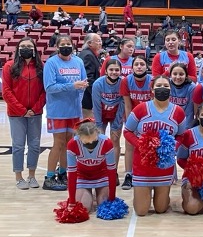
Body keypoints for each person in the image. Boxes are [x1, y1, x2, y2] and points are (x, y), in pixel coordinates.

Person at [123, 75, 186, 216]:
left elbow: (181, 135)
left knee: (161, 209)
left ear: (171, 90)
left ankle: (160, 195)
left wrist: (172, 146)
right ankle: (141, 193)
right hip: (143, 164)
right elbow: (127, 131)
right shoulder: (141, 109)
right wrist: (140, 145)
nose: (162, 89)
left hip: (164, 165)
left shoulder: (178, 112)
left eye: (166, 87)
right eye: (158, 87)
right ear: (151, 90)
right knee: (141, 211)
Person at [43, 35, 88, 190]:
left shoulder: (79, 61)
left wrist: (81, 89)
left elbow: (83, 82)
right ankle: (49, 177)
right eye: (63, 44)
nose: (66, 46)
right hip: (58, 110)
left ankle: (63, 173)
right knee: (58, 143)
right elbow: (49, 88)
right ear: (57, 47)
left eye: (68, 43)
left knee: (69, 144)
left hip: (74, 110)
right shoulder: (51, 63)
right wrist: (72, 86)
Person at [2, 37, 46, 189]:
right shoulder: (9, 66)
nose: (26, 48)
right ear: (18, 49)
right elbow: (6, 92)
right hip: (16, 114)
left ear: (34, 50)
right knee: (18, 145)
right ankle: (19, 176)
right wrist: (21, 110)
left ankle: (32, 176)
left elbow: (44, 91)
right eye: (23, 46)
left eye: (29, 46)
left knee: (34, 145)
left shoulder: (41, 67)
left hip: (36, 112)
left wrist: (34, 109)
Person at [66, 119, 117, 212]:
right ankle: (89, 194)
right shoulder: (72, 144)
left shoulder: (107, 142)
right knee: (84, 208)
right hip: (82, 176)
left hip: (102, 175)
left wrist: (112, 198)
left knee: (104, 207)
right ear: (79, 138)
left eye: (94, 141)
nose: (91, 145)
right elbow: (72, 174)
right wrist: (72, 202)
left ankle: (97, 194)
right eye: (86, 143)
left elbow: (112, 172)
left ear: (98, 134)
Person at [119, 56, 152, 190]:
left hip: (148, 119)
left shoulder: (152, 80)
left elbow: (154, 104)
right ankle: (129, 174)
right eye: (136, 64)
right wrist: (129, 125)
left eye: (142, 64)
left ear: (146, 66)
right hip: (133, 118)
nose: (139, 66)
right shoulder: (126, 81)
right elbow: (127, 105)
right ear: (132, 67)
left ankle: (148, 173)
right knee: (130, 146)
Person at [92, 59, 124, 185]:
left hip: (116, 114)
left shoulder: (123, 83)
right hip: (101, 114)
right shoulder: (98, 84)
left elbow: (122, 105)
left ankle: (113, 172)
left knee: (115, 140)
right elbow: (96, 106)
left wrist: (116, 125)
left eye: (117, 70)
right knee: (99, 141)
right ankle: (100, 170)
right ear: (105, 71)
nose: (114, 72)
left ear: (120, 71)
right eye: (111, 70)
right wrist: (99, 126)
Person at [78, 33, 103, 119]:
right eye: (98, 41)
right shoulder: (88, 55)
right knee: (88, 127)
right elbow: (88, 79)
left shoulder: (89, 54)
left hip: (87, 98)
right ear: (89, 43)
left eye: (101, 41)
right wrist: (96, 97)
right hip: (87, 100)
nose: (100, 43)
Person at [169, 62, 196, 128]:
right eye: (175, 74)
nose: (178, 77)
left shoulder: (191, 87)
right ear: (170, 75)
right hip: (170, 120)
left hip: (186, 121)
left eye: (181, 74)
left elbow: (189, 112)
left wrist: (186, 129)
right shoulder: (167, 84)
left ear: (186, 75)